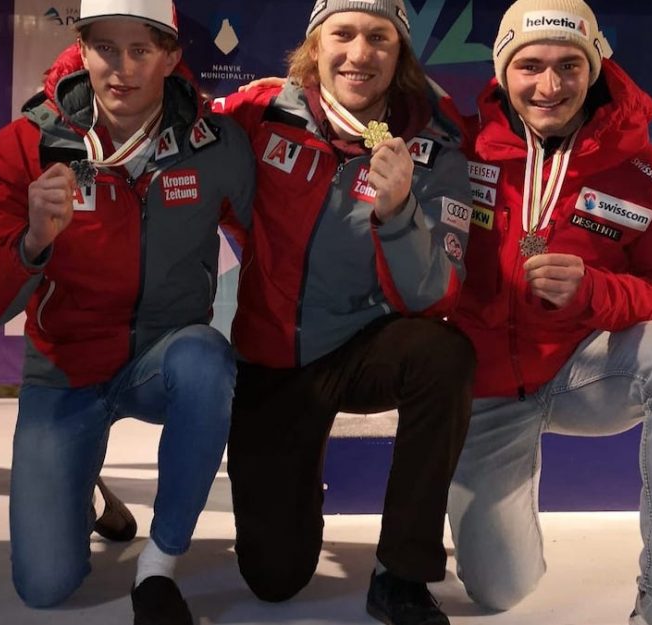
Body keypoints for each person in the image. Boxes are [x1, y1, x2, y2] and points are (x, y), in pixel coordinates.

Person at [0, 0, 255, 623]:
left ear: (170, 58)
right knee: (46, 585)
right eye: (106, 49)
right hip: (66, 372)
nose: (122, 69)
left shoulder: (215, 145)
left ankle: (158, 567)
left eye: (141, 50)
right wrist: (31, 242)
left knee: (206, 360)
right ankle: (82, 482)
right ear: (82, 49)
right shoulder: (25, 144)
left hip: (162, 361)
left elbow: (276, 248)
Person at [446, 1, 652, 624]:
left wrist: (597, 291)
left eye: (570, 66)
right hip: (488, 392)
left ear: (594, 69)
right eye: (531, 66)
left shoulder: (645, 171)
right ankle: (498, 523)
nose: (550, 86)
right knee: (498, 591)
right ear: (502, 70)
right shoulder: (460, 150)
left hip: (584, 374)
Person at [212, 2, 475, 624]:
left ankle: (402, 575)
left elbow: (434, 297)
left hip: (365, 348)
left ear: (400, 52)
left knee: (444, 355)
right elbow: (154, 104)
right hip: (274, 357)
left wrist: (400, 211)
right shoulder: (258, 112)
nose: (360, 54)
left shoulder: (436, 142)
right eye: (344, 34)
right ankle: (301, 485)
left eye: (379, 38)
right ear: (315, 43)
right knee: (273, 580)